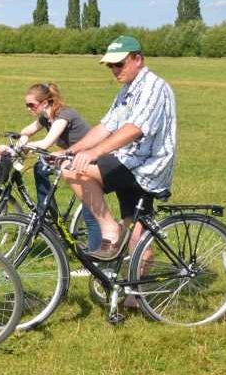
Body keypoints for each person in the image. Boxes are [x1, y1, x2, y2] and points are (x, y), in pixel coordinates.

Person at [61, 36, 177, 272]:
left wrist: (94, 153)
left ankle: (109, 230)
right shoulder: (128, 89)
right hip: (129, 161)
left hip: (147, 166)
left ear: (138, 59)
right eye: (110, 65)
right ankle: (136, 294)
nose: (114, 70)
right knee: (135, 230)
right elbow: (106, 127)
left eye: (119, 64)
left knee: (72, 170)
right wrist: (71, 150)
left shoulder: (153, 87)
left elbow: (134, 129)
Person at [16, 82, 102, 258]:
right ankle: (47, 210)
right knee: (40, 166)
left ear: (45, 103)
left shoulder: (63, 115)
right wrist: (22, 138)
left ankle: (96, 259)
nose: (28, 108)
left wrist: (23, 146)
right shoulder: (44, 117)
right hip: (71, 157)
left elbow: (46, 143)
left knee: (90, 212)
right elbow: (26, 130)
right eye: (26, 105)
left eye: (32, 105)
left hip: (91, 159)